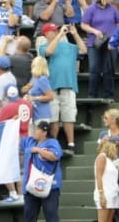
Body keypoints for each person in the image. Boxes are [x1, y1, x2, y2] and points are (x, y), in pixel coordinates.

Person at [38, 23, 86, 153]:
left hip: (69, 84)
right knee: (53, 118)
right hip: (52, 87)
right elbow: (49, 52)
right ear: (46, 34)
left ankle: (71, 143)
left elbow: (83, 50)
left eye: (57, 30)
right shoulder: (43, 46)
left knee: (69, 116)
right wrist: (59, 35)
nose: (56, 32)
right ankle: (54, 143)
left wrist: (75, 34)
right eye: (53, 31)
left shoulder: (69, 47)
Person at [81, 0, 119, 99]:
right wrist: (95, 31)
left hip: (110, 43)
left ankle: (109, 95)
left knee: (109, 69)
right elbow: (84, 25)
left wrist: (115, 37)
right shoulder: (91, 9)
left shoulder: (113, 9)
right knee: (94, 69)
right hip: (95, 42)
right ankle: (92, 95)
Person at [0, 85, 33, 202]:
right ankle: (21, 195)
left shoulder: (7, 107)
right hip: (27, 138)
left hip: (14, 140)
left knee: (7, 166)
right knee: (22, 169)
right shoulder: (28, 104)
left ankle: (14, 193)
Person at [21, 121, 62, 222]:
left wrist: (39, 150)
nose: (35, 131)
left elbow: (54, 156)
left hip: (49, 186)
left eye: (37, 129)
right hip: (30, 186)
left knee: (51, 216)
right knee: (29, 217)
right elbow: (16, 137)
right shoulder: (30, 141)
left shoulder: (52, 142)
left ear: (44, 132)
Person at [94, 141, 119, 222]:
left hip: (113, 195)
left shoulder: (111, 161)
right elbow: (99, 176)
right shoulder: (102, 156)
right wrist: (101, 195)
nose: (117, 150)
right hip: (105, 195)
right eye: (117, 147)